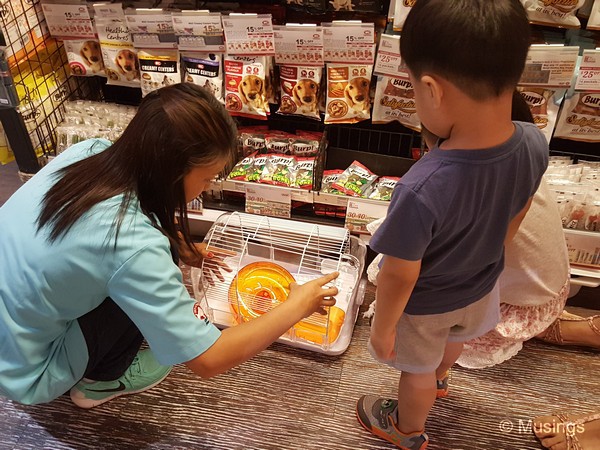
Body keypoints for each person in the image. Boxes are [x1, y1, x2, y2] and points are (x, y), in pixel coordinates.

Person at [0, 83, 339, 409]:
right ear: (173, 172)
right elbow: (209, 359)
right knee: (141, 285)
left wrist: (179, 246)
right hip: (27, 370)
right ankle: (101, 382)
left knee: (156, 260)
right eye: (206, 178)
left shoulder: (89, 150)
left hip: (12, 324)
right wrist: (298, 305)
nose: (205, 189)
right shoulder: (133, 245)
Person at [354, 1, 548, 449]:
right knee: (454, 343)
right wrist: (489, 251)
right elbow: (518, 211)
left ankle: (406, 430)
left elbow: (400, 273)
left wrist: (382, 330)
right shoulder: (534, 142)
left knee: (414, 371)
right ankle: (442, 378)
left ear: (432, 89)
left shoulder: (422, 187)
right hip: (482, 286)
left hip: (427, 305)